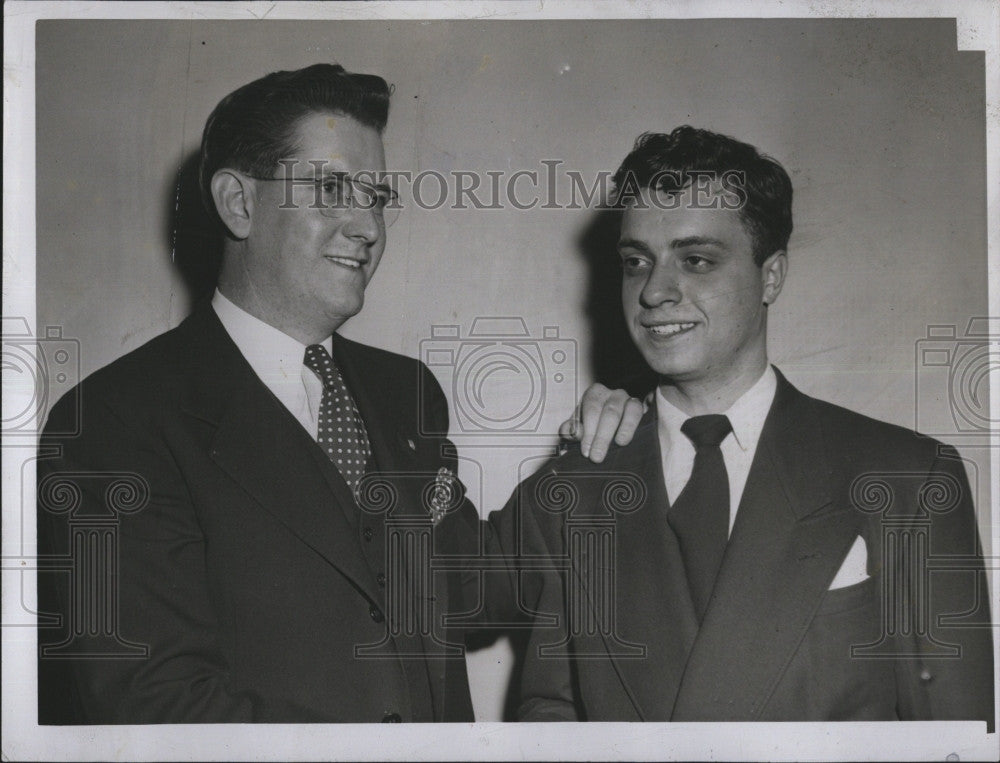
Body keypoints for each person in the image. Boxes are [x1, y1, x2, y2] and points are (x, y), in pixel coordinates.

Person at [35, 63, 639, 724]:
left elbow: (472, 589)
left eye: (376, 196)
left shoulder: (405, 393)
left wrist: (589, 459)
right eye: (330, 188)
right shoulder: (119, 419)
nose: (368, 227)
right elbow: (157, 702)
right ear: (238, 203)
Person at [487, 126, 995, 724]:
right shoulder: (573, 492)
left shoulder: (907, 477)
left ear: (771, 276)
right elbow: (550, 709)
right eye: (635, 262)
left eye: (696, 260)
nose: (653, 291)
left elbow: (955, 737)